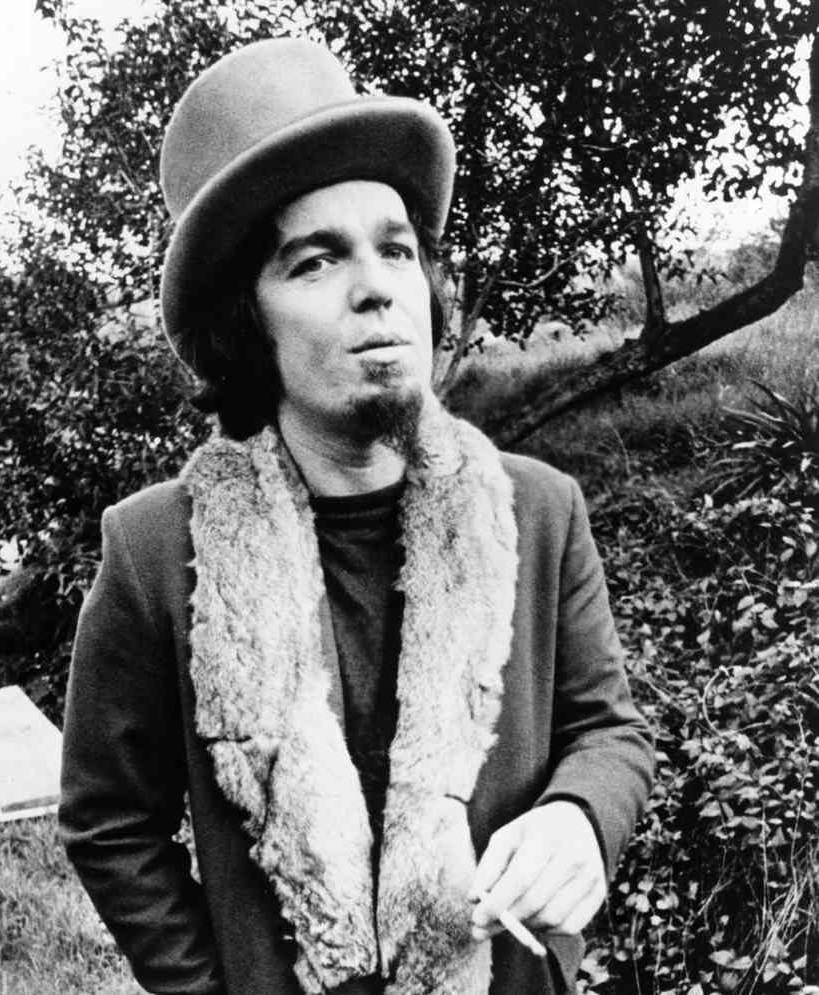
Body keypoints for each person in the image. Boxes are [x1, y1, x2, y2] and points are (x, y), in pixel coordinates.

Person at [59, 37, 655, 995]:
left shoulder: (541, 511)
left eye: (397, 249)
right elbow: (108, 820)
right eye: (316, 260)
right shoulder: (156, 552)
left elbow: (610, 733)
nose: (377, 286)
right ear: (246, 320)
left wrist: (581, 816)